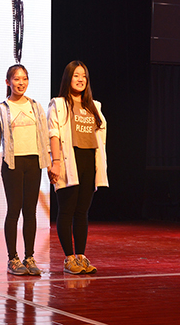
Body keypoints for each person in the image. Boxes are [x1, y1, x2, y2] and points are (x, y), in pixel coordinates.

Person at [0, 64, 50, 276]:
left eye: (24, 79)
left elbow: (45, 139)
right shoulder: (1, 109)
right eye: (17, 79)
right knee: (14, 210)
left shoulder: (36, 106)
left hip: (34, 163)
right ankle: (13, 258)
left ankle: (29, 257)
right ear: (8, 82)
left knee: (30, 212)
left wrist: (52, 164)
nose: (21, 83)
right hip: (12, 165)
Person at [47, 61, 108, 274]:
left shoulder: (94, 106)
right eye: (76, 75)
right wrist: (55, 163)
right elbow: (53, 134)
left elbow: (100, 138)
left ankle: (81, 257)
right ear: (68, 78)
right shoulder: (59, 104)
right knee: (66, 210)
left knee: (82, 211)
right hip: (68, 161)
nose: (80, 79)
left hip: (89, 161)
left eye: (83, 76)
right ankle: (69, 258)